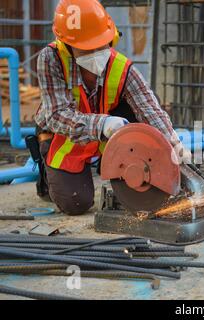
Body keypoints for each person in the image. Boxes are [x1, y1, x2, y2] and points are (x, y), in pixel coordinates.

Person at [34, 0, 180, 215]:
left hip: (108, 133)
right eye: (86, 48)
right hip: (64, 135)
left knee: (147, 107)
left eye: (101, 44)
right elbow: (56, 115)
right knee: (75, 204)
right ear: (66, 45)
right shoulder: (50, 59)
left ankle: (116, 165)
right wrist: (102, 124)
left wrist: (172, 145)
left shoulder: (120, 65)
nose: (95, 51)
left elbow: (149, 109)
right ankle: (49, 174)